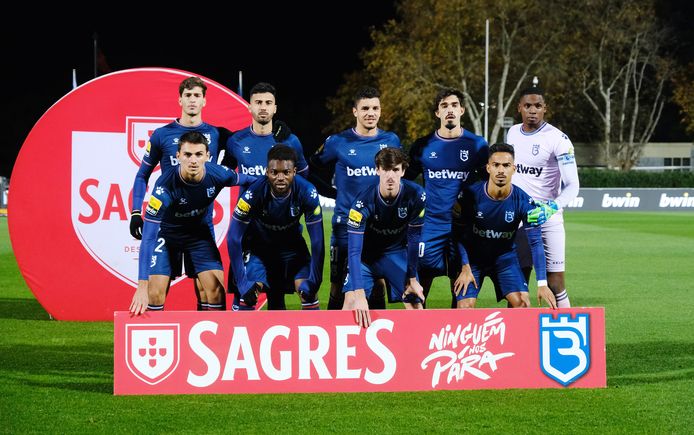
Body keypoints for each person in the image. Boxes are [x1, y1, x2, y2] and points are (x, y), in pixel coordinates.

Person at [129, 76, 231, 310]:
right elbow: (141, 175)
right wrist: (136, 212)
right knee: (154, 293)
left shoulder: (216, 135)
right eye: (188, 95)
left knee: (211, 290)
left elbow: (247, 145)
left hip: (201, 226)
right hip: (168, 225)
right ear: (180, 100)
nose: (192, 100)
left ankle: (205, 343)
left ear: (204, 101)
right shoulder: (161, 135)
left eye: (197, 96)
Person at [129, 132, 256, 315]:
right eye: (187, 155)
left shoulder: (218, 174)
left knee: (216, 292)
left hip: (199, 235)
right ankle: (160, 341)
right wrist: (141, 287)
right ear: (178, 156)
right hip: (167, 235)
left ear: (207, 156)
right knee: (154, 293)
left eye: (198, 154)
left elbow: (253, 182)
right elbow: (148, 238)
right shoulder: (164, 188)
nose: (193, 160)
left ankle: (214, 341)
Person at [309, 86, 401, 311]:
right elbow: (311, 168)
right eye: (365, 108)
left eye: (375, 108)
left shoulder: (391, 140)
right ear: (355, 111)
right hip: (345, 225)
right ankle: (333, 336)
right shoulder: (338, 142)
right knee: (338, 285)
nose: (371, 113)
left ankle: (377, 335)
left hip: (378, 227)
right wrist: (331, 193)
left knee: (378, 283)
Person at [405, 88, 488, 308]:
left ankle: (453, 341)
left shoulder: (477, 145)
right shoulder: (422, 146)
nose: (449, 110)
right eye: (444, 106)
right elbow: (406, 181)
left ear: (461, 110)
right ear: (437, 113)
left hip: (463, 230)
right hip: (429, 227)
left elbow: (489, 184)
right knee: (417, 295)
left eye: (453, 105)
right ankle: (418, 340)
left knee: (463, 298)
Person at [223, 82, 306, 300]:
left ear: (275, 108)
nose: (263, 107)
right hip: (249, 229)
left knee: (277, 296)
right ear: (249, 106)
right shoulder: (236, 141)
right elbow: (225, 173)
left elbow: (304, 176)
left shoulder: (289, 140)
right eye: (258, 102)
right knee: (246, 293)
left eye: (268, 103)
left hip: (282, 228)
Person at [452, 143, 557, 309]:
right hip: (473, 261)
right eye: (496, 165)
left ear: (514, 169)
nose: (501, 170)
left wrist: (542, 283)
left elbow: (536, 242)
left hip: (505, 259)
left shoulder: (524, 201)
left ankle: (511, 336)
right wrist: (464, 266)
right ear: (488, 168)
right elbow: (458, 235)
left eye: (506, 165)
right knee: (464, 307)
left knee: (523, 304)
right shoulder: (469, 196)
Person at [507, 86, 580, 308]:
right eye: (527, 106)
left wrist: (551, 208)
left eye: (538, 106)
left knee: (555, 282)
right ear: (519, 108)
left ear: (544, 109)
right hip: (518, 219)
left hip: (548, 218)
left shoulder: (558, 139)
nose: (532, 110)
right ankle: (514, 338)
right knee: (517, 284)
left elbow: (573, 185)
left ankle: (567, 333)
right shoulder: (512, 133)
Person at [228, 145, 324, 311]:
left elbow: (317, 242)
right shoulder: (254, 193)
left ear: (294, 171)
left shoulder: (307, 192)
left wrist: (315, 280)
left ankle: (310, 335)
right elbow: (233, 238)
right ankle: (240, 334)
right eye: (274, 172)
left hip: (292, 250)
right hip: (260, 249)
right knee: (247, 295)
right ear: (267, 172)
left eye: (286, 172)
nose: (280, 177)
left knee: (309, 293)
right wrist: (243, 284)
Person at [342, 148, 426, 328]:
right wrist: (359, 295)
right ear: (377, 170)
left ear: (403, 171)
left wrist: (412, 279)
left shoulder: (417, 196)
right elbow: (354, 251)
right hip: (366, 258)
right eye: (386, 169)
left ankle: (415, 353)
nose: (390, 176)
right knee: (350, 305)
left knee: (415, 304)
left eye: (395, 170)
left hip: (395, 254)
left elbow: (413, 239)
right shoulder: (361, 203)